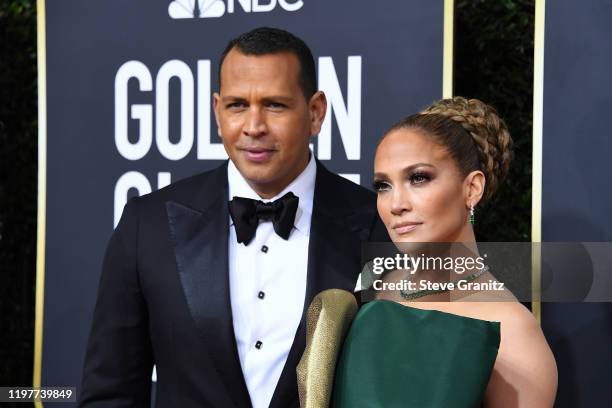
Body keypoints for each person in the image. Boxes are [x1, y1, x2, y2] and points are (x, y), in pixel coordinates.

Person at [79, 27, 387, 408]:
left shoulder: (379, 224)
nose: (253, 126)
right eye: (237, 105)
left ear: (315, 112)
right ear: (217, 111)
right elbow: (111, 394)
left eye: (275, 105)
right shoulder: (148, 225)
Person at [331, 97, 557, 407]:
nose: (396, 204)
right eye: (383, 185)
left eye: (418, 178)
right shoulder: (373, 286)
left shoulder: (514, 333)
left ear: (472, 189)